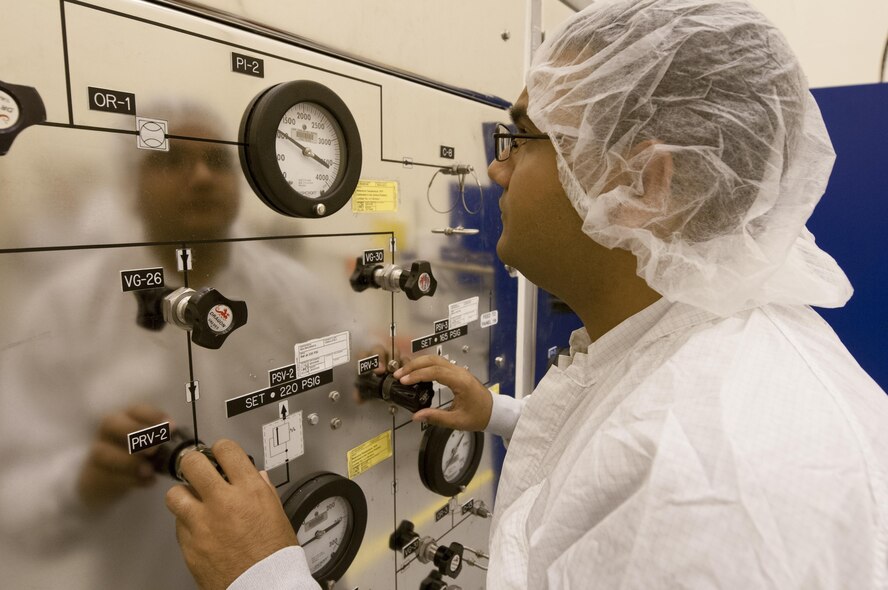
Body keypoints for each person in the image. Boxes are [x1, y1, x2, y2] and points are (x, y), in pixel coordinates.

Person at [166, 1, 888, 588]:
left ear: (644, 184)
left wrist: (262, 577)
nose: (496, 168)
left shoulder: (707, 486)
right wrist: (499, 413)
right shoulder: (704, 346)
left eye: (520, 138)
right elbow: (614, 436)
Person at [0, 105, 354, 589]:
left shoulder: (294, 290)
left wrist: (380, 364)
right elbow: (14, 500)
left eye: (217, 161)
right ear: (131, 186)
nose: (202, 177)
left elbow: (344, 385)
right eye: (171, 161)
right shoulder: (65, 311)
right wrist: (83, 481)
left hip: (306, 557)